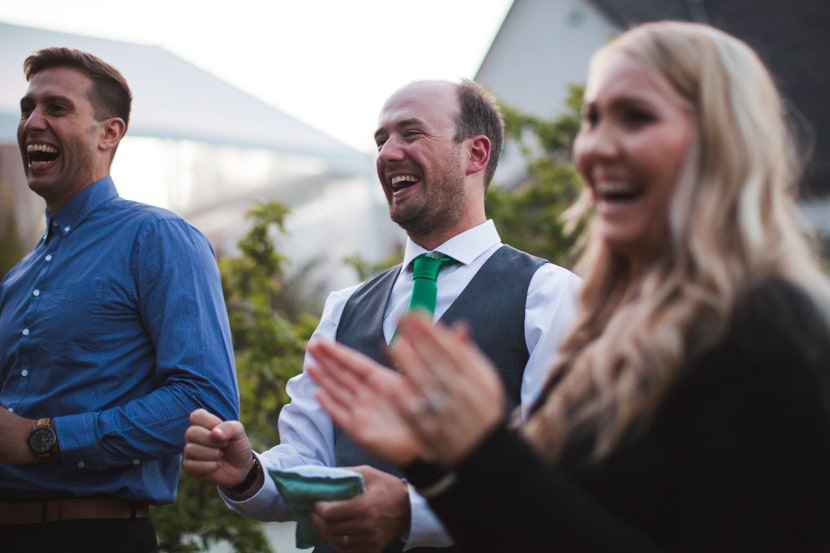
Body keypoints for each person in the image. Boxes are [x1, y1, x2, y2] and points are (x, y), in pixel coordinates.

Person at [306, 21, 830, 553]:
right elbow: (543, 521)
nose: (596, 147)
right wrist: (436, 466)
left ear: (722, 139)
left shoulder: (773, 332)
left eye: (637, 117)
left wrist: (483, 450)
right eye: (594, 120)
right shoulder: (621, 321)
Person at [183, 78, 581, 553]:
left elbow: (554, 476)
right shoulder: (343, 308)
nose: (387, 154)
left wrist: (413, 513)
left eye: (410, 134)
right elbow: (310, 458)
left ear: (475, 154)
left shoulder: (551, 295)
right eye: (381, 140)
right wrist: (249, 473)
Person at [0, 47, 240, 552]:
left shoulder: (158, 238)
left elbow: (204, 402)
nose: (32, 123)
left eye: (57, 108)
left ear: (109, 132)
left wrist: (42, 438)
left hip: (94, 537)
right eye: (27, 109)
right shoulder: (17, 278)